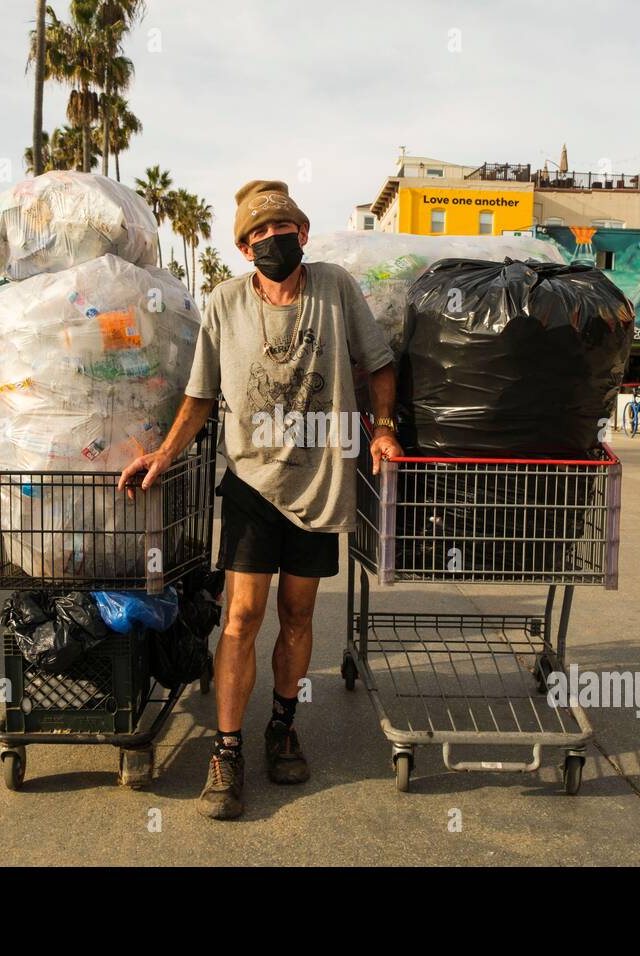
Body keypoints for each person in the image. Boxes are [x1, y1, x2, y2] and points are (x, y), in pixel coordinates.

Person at [118, 180, 401, 820]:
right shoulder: (223, 304)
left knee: (298, 615)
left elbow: (379, 362)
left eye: (283, 230)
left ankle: (282, 724)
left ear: (302, 234)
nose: (272, 241)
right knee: (242, 616)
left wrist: (383, 429)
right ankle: (227, 751)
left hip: (320, 479)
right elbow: (199, 396)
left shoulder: (334, 288)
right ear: (245, 248)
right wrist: (164, 455)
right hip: (250, 482)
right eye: (258, 235)